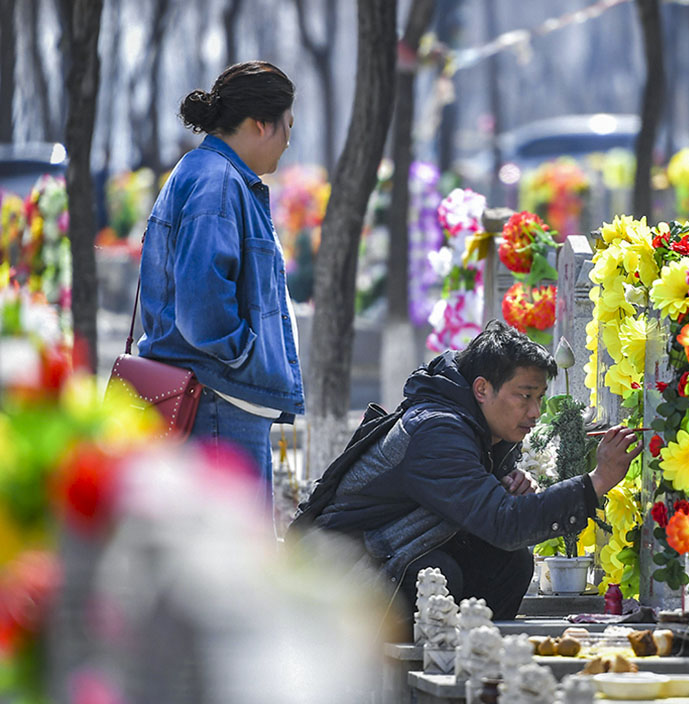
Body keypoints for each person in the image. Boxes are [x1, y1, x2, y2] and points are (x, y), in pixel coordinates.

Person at [313, 321, 643, 622]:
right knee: (437, 574)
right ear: (482, 390)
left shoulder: (478, 427)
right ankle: (412, 675)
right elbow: (504, 523)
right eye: (524, 397)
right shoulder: (437, 431)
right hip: (339, 580)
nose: (535, 412)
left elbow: (487, 515)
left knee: (509, 563)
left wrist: (501, 483)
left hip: (389, 558)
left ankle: (477, 661)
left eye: (540, 398)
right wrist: (597, 481)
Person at [137, 61, 303, 520]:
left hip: (215, 398)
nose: (289, 141)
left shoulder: (209, 173)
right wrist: (244, 358)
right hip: (216, 402)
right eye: (288, 126)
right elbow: (202, 307)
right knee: (234, 565)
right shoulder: (217, 183)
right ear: (260, 124)